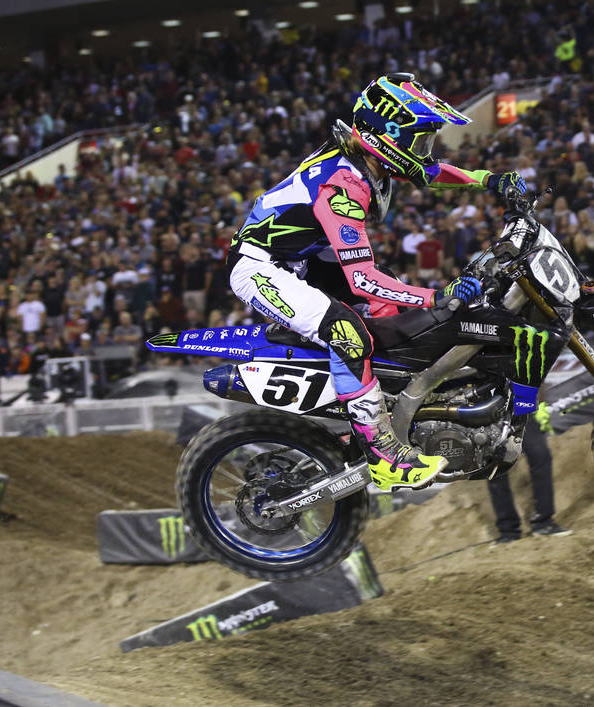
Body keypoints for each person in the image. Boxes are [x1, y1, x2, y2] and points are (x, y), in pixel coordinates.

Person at [228, 73, 526, 492]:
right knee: (349, 334)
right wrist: (436, 295)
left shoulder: (368, 161)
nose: (424, 152)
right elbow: (364, 278)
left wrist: (485, 180)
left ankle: (372, 411)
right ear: (387, 135)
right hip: (262, 266)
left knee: (388, 317)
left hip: (303, 258)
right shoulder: (342, 186)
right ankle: (381, 454)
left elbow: (429, 172)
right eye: (418, 140)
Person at [487, 404, 570, 544]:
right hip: (486, 412)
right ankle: (508, 531)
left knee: (540, 454)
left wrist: (542, 404)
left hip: (518, 406)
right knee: (495, 468)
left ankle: (543, 522)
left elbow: (538, 381)